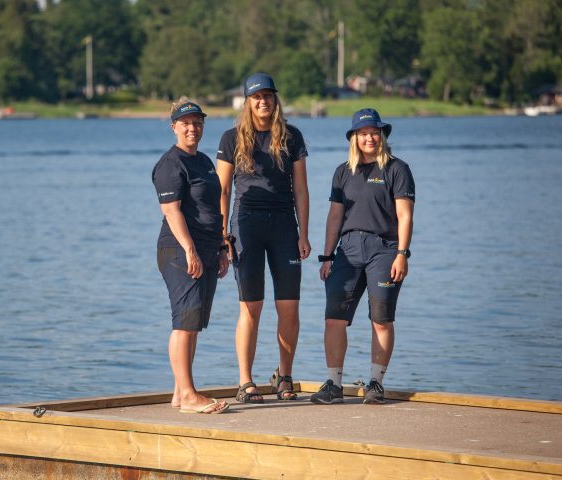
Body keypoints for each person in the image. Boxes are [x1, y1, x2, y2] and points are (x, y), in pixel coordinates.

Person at [216, 73, 310, 403]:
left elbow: (301, 189)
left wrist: (305, 233)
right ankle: (246, 381)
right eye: (257, 96)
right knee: (250, 307)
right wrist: (222, 235)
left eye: (268, 95)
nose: (263, 101)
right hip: (246, 225)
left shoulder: (292, 136)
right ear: (248, 101)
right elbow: (223, 190)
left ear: (275, 99)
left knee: (289, 308)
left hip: (285, 225)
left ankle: (284, 377)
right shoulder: (231, 138)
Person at [311, 108, 415, 405]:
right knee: (334, 318)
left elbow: (404, 216)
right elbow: (334, 218)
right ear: (354, 138)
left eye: (374, 133)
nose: (369, 138)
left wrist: (402, 254)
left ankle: (376, 382)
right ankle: (333, 384)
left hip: (384, 249)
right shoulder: (343, 171)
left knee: (381, 320)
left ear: (382, 136)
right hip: (348, 250)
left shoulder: (397, 169)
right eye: (363, 133)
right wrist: (327, 256)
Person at [152, 100, 231, 414]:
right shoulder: (171, 164)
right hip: (178, 249)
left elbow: (213, 208)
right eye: (185, 123)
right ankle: (188, 395)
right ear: (174, 126)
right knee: (184, 321)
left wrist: (222, 248)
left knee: (193, 321)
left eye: (197, 122)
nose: (192, 127)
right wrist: (190, 251)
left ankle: (179, 393)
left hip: (207, 248)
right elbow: (172, 212)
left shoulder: (204, 161)